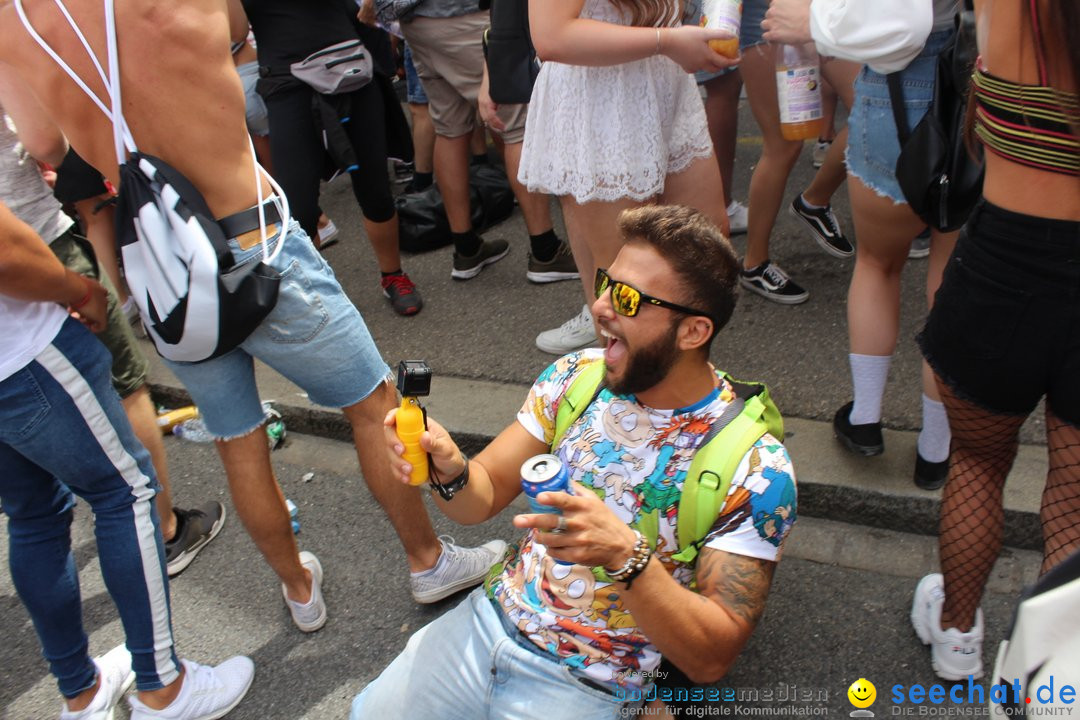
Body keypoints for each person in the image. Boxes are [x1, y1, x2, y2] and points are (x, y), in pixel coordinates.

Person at [0, 0, 505, 632]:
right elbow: (238, 34)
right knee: (374, 404)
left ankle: (299, 588)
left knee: (238, 440)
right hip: (253, 243)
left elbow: (46, 143)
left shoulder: (15, 19)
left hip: (163, 268)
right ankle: (428, 562)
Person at [354, 205, 797, 719]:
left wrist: (625, 556)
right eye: (608, 283)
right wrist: (450, 470)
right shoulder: (576, 379)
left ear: (693, 332)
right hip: (487, 623)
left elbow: (712, 656)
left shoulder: (756, 469)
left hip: (595, 680)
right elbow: (479, 500)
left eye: (627, 298)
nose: (600, 306)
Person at [0, 200, 254, 719]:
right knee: (126, 494)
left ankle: (83, 693)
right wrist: (81, 289)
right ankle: (165, 688)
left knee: (35, 518)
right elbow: (4, 254)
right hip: (26, 350)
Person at [913, 0, 1079, 681]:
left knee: (978, 466)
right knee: (1074, 494)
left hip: (1004, 268)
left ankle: (957, 632)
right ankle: (1053, 666)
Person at [0, 81, 226, 578]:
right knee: (125, 388)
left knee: (33, 513)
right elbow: (43, 142)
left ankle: (74, 657)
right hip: (37, 252)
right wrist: (79, 290)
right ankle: (165, 532)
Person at [764, 0, 960, 491]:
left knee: (877, 264)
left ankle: (867, 419)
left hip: (900, 86)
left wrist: (814, 23)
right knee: (949, 276)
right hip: (969, 83)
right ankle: (935, 450)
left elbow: (905, 23)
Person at [522, 0, 735, 356]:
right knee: (627, 285)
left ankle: (683, 386)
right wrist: (668, 41)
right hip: (603, 98)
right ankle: (634, 401)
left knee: (703, 249)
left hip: (665, 81)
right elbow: (551, 35)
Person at [230, 0, 424, 316]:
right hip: (285, 82)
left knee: (375, 190)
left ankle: (393, 276)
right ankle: (318, 291)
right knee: (299, 208)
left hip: (348, 66)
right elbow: (235, 32)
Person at [368, 0, 575, 286]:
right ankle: (545, 250)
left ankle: (466, 248)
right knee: (516, 125)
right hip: (463, 15)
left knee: (449, 128)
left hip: (417, 21)